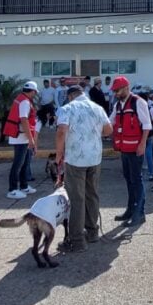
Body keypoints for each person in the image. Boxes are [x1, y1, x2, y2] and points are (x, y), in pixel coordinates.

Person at [55, 85, 112, 252]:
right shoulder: (98, 107)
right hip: (95, 157)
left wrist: (59, 153)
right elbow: (108, 130)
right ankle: (93, 233)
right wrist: (92, 134)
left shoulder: (67, 108)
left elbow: (61, 131)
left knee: (77, 198)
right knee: (92, 194)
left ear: (71, 96)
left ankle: (77, 240)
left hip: (75, 159)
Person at [109, 76, 151, 227]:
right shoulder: (118, 105)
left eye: (117, 90)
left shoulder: (138, 102)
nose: (115, 93)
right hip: (124, 149)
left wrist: (142, 144)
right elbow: (110, 122)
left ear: (126, 88)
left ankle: (139, 213)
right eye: (114, 91)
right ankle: (130, 209)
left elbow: (147, 125)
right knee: (129, 179)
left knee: (137, 180)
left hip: (135, 149)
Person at [4, 82, 40, 199]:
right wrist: (31, 140)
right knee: (18, 164)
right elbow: (24, 120)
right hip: (20, 138)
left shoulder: (21, 99)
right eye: (35, 92)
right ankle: (12, 189)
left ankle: (24, 186)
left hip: (22, 137)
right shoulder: (25, 102)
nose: (35, 95)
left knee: (25, 163)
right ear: (32, 91)